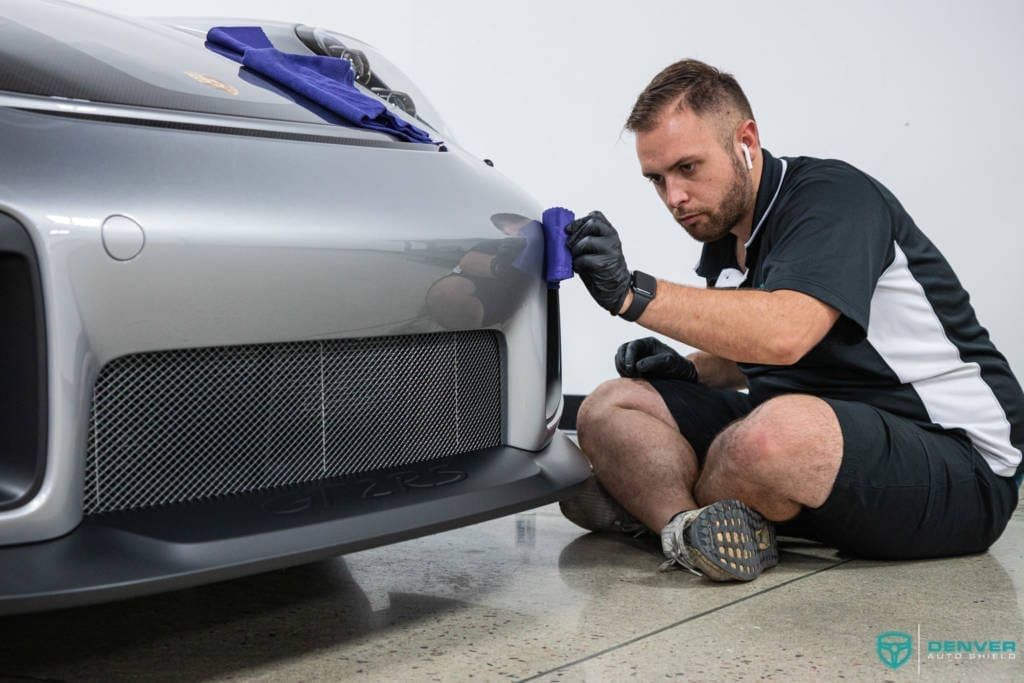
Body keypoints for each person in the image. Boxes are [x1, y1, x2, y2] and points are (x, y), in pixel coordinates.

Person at [560, 58, 1023, 582]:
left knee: (772, 439)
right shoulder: (724, 235)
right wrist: (693, 370)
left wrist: (631, 294)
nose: (675, 198)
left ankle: (649, 508)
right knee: (608, 406)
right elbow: (753, 353)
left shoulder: (834, 200)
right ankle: (688, 530)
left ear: (746, 140)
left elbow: (786, 335)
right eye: (657, 180)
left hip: (959, 460)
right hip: (817, 428)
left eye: (688, 168)